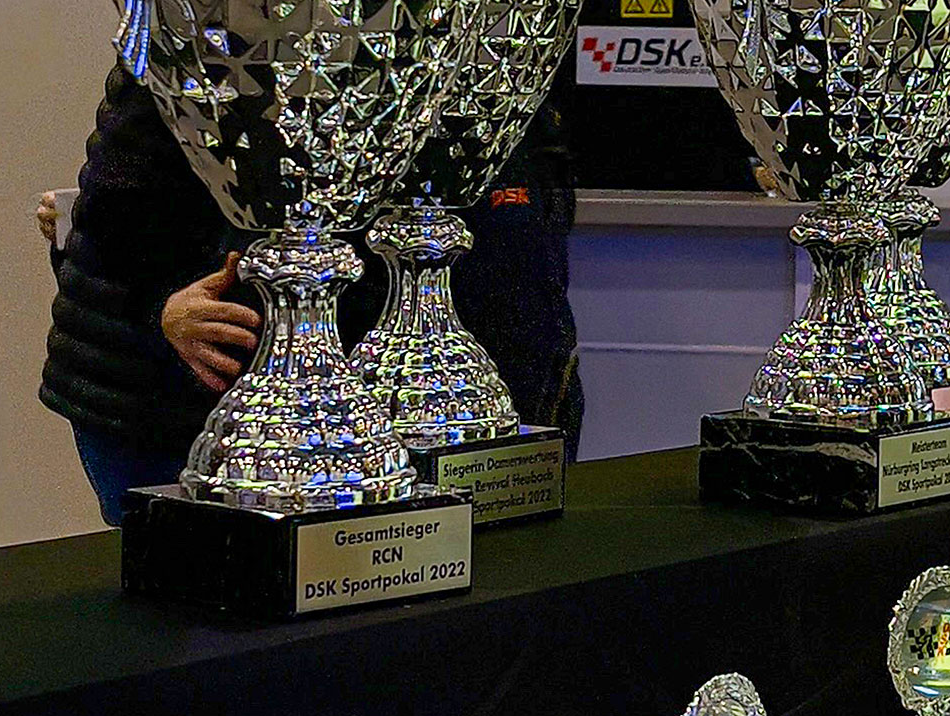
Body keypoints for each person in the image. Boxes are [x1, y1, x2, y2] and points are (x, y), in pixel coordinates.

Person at [40, 63, 584, 524]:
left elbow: (537, 218)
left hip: (463, 414)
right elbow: (108, 217)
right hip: (176, 407)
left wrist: (544, 387)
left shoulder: (492, 43)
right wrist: (160, 309)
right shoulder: (215, 20)